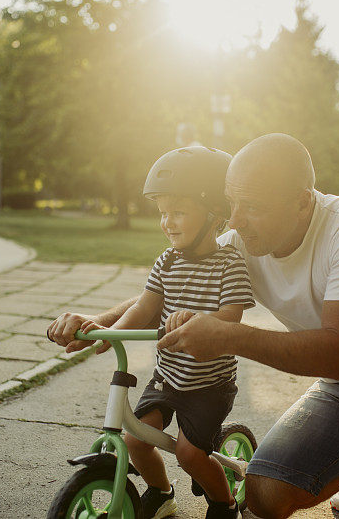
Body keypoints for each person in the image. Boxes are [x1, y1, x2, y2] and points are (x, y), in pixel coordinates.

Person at [50, 133, 339, 519]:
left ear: (302, 201)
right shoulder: (244, 238)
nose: (233, 221)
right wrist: (100, 321)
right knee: (262, 496)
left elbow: (337, 351)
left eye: (252, 207)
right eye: (231, 202)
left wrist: (230, 335)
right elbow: (178, 285)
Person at [51, 146, 254, 519]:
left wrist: (196, 319)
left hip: (208, 384)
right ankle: (162, 493)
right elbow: (144, 307)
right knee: (136, 440)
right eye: (162, 213)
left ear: (213, 216)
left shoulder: (230, 264)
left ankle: (224, 504)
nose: (167, 222)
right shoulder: (167, 261)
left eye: (178, 212)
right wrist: (107, 330)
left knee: (190, 454)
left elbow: (231, 318)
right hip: (168, 376)